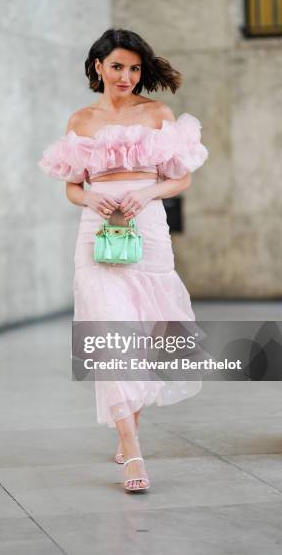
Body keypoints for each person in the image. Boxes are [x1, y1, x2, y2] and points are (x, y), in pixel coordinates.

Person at [38, 28, 209, 493]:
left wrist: (146, 191)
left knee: (146, 330)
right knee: (109, 330)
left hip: (147, 228)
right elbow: (71, 184)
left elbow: (181, 180)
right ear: (98, 67)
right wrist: (90, 199)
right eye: (117, 66)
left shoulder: (157, 114)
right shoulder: (81, 120)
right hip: (97, 233)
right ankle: (132, 449)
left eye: (134, 68)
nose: (126, 76)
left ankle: (126, 421)